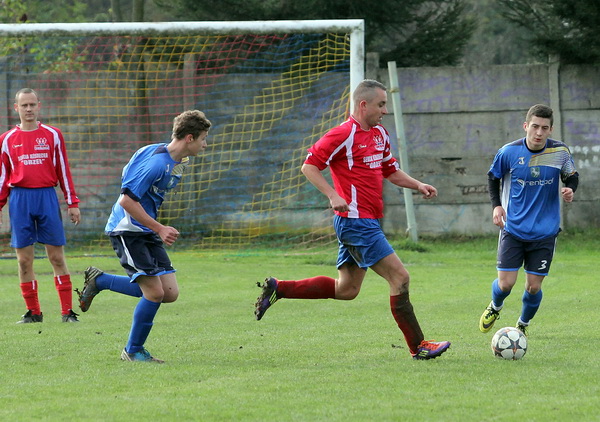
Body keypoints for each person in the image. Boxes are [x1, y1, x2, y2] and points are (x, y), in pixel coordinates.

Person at [254, 79, 451, 360]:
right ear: (363, 104)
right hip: (356, 222)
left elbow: (390, 171)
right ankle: (418, 346)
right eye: (381, 105)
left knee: (346, 289)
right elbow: (309, 166)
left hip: (365, 221)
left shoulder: (380, 134)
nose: (385, 110)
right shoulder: (343, 134)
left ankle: (279, 288)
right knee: (400, 277)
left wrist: (418, 185)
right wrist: (332, 194)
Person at [76, 110, 211, 363]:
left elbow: (129, 173)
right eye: (203, 138)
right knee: (154, 293)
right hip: (128, 230)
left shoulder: (162, 154)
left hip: (145, 229)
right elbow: (126, 200)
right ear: (190, 138)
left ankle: (100, 280)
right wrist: (160, 228)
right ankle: (133, 351)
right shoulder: (157, 163)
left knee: (168, 292)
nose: (205, 144)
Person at [479, 104, 579, 336]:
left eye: (544, 128)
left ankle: (522, 326)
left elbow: (571, 176)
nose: (539, 132)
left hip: (545, 232)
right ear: (526, 126)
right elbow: (493, 177)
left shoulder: (560, 152)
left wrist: (570, 189)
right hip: (513, 228)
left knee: (533, 287)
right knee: (505, 284)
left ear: (551, 129)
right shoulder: (509, 152)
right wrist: (497, 206)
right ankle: (495, 306)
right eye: (535, 126)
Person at [0, 88, 81, 324]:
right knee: (24, 260)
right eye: (24, 105)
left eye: (32, 104)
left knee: (56, 257)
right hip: (20, 199)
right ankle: (33, 313)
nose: (28, 109)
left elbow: (63, 169)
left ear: (39, 106)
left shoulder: (53, 135)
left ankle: (67, 312)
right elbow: (3, 177)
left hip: (46, 197)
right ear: (16, 108)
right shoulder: (6, 140)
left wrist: (72, 202)